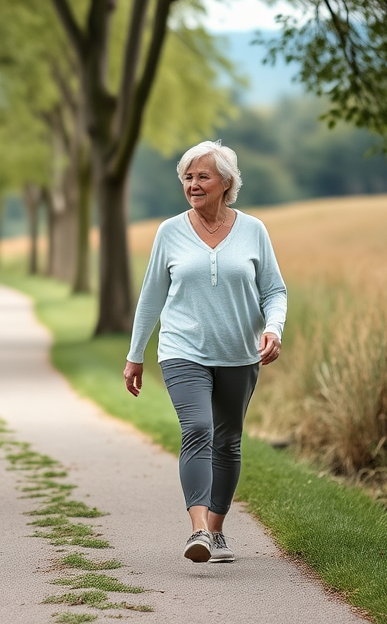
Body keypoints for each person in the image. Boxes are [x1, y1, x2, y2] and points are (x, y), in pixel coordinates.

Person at [123, 140, 287, 563]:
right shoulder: (169, 232)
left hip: (239, 353)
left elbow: (274, 290)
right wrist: (136, 353)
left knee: (228, 441)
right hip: (182, 350)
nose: (193, 185)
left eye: (202, 177)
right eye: (187, 177)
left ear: (226, 183)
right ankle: (197, 531)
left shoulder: (253, 230)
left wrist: (273, 329)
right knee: (198, 428)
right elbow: (151, 297)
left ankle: (216, 531)